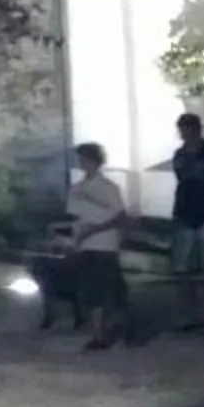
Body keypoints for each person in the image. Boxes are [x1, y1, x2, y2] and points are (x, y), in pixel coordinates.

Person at [155, 114, 204, 333]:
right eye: (182, 131)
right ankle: (189, 315)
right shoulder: (181, 154)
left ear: (196, 130)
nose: (184, 136)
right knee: (182, 269)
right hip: (185, 215)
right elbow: (183, 176)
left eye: (187, 131)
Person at [63, 143, 131, 350]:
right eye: (80, 159)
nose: (83, 163)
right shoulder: (77, 189)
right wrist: (72, 238)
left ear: (95, 161)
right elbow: (74, 217)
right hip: (84, 245)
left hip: (105, 245)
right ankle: (98, 333)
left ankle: (113, 329)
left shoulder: (108, 188)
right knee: (91, 292)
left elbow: (120, 216)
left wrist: (95, 230)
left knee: (107, 290)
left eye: (85, 159)